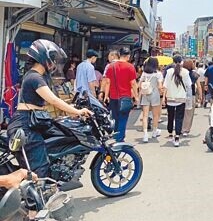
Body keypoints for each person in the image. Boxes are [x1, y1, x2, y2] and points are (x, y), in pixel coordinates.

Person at [7, 39, 92, 177]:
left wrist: (70, 110)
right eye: (52, 58)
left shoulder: (34, 76)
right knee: (39, 167)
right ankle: (37, 195)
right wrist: (77, 111)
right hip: (25, 125)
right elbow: (52, 99)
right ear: (43, 58)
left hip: (31, 121)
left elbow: (50, 102)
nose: (53, 63)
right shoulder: (35, 77)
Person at [103, 47, 139, 142]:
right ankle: (119, 140)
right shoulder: (130, 67)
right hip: (125, 97)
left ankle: (116, 136)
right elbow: (133, 83)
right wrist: (136, 96)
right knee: (123, 119)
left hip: (113, 97)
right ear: (128, 56)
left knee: (115, 118)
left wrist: (106, 96)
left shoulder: (111, 66)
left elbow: (107, 82)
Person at [163, 55, 191, 147]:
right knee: (179, 118)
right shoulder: (185, 72)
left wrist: (163, 98)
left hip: (170, 97)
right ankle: (177, 137)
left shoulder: (169, 71)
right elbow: (188, 85)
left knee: (170, 116)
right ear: (181, 61)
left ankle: (170, 134)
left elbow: (165, 86)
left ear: (173, 61)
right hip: (181, 98)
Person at [139, 57, 163, 142]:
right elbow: (160, 86)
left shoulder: (144, 73)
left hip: (146, 94)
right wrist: (161, 91)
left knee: (145, 115)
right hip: (155, 94)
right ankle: (154, 131)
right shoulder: (158, 74)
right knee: (155, 115)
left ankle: (145, 134)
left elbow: (140, 83)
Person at [181, 59, 202, 137]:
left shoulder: (180, 73)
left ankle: (179, 128)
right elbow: (199, 86)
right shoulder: (194, 75)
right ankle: (185, 130)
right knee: (189, 113)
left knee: (180, 112)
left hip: (180, 95)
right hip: (191, 95)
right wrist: (200, 96)